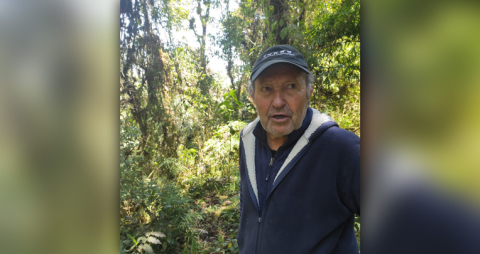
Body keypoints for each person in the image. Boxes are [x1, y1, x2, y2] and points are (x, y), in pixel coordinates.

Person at [237, 45, 360, 253]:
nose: (277, 102)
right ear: (252, 95)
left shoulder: (340, 147)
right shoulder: (248, 140)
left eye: (291, 86)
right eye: (266, 89)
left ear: (309, 91)